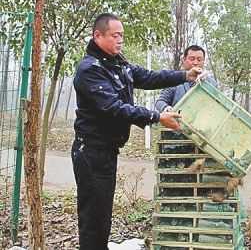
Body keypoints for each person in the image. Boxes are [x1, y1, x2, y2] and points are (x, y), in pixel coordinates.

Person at [71, 13, 201, 250]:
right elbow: (114, 108)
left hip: (106, 151)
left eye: (122, 35)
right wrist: (156, 116)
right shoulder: (90, 69)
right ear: (97, 35)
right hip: (91, 152)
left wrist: (184, 75)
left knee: (102, 217)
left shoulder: (118, 63)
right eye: (115, 35)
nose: (120, 40)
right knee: (93, 220)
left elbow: (150, 77)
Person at [155, 45, 216, 112]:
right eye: (192, 59)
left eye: (199, 60)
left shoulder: (211, 82)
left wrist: (206, 82)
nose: (195, 63)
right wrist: (166, 108)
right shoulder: (175, 79)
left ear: (203, 61)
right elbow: (160, 101)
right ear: (184, 60)